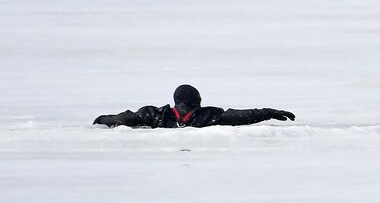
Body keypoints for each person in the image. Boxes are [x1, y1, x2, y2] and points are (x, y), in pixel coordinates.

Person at [93, 84, 295, 128]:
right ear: (197, 101)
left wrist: (270, 113)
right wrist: (103, 120)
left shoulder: (153, 116)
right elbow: (243, 116)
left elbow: (244, 115)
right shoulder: (209, 117)